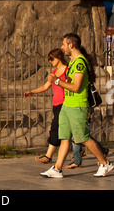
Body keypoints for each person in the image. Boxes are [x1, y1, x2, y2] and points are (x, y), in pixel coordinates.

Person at [41, 33, 113, 178]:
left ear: (71, 45)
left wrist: (57, 81)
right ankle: (57, 169)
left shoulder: (80, 62)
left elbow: (76, 87)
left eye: (63, 44)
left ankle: (105, 163)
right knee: (65, 137)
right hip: (67, 104)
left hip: (77, 105)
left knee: (83, 137)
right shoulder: (73, 61)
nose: (62, 47)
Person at [24, 48, 68, 164]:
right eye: (49, 59)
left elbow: (72, 85)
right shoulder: (54, 73)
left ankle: (48, 156)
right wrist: (31, 92)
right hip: (56, 104)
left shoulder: (68, 70)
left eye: (51, 58)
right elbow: (45, 87)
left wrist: (58, 81)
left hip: (65, 104)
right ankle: (100, 150)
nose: (50, 61)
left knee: (55, 129)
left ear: (59, 57)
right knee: (69, 132)